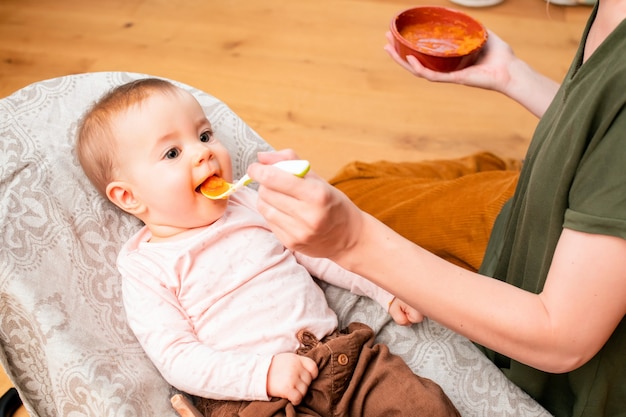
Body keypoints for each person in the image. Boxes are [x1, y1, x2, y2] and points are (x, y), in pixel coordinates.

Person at [246, 1, 626, 416]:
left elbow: (562, 339)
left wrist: (354, 240)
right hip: (536, 202)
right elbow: (603, 134)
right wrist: (513, 75)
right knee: (363, 180)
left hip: (563, 310)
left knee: (357, 188)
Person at [75, 78, 461, 417]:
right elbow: (176, 357)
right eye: (173, 153)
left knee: (422, 405)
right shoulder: (147, 267)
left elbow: (319, 250)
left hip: (338, 359)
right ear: (128, 196)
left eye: (205, 136)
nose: (204, 152)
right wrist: (262, 375)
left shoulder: (251, 205)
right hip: (253, 399)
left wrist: (384, 287)